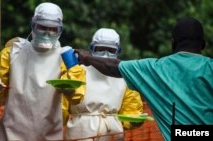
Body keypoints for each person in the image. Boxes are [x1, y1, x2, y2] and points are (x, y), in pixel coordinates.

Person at [74, 18, 213, 141]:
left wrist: (87, 58)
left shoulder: (154, 69)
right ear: (203, 44)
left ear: (173, 43)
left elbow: (113, 67)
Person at [0, 2, 84, 141]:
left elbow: (77, 97)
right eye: (42, 27)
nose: (47, 32)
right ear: (33, 25)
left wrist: (71, 89)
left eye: (52, 29)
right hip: (12, 131)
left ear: (60, 30)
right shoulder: (13, 52)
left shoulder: (65, 58)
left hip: (49, 132)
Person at [61, 28, 144, 141]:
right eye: (100, 49)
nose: (105, 54)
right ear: (91, 49)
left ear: (118, 52)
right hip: (81, 132)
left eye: (111, 50)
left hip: (112, 134)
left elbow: (131, 107)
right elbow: (62, 106)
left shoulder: (123, 77)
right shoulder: (78, 70)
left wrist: (134, 119)